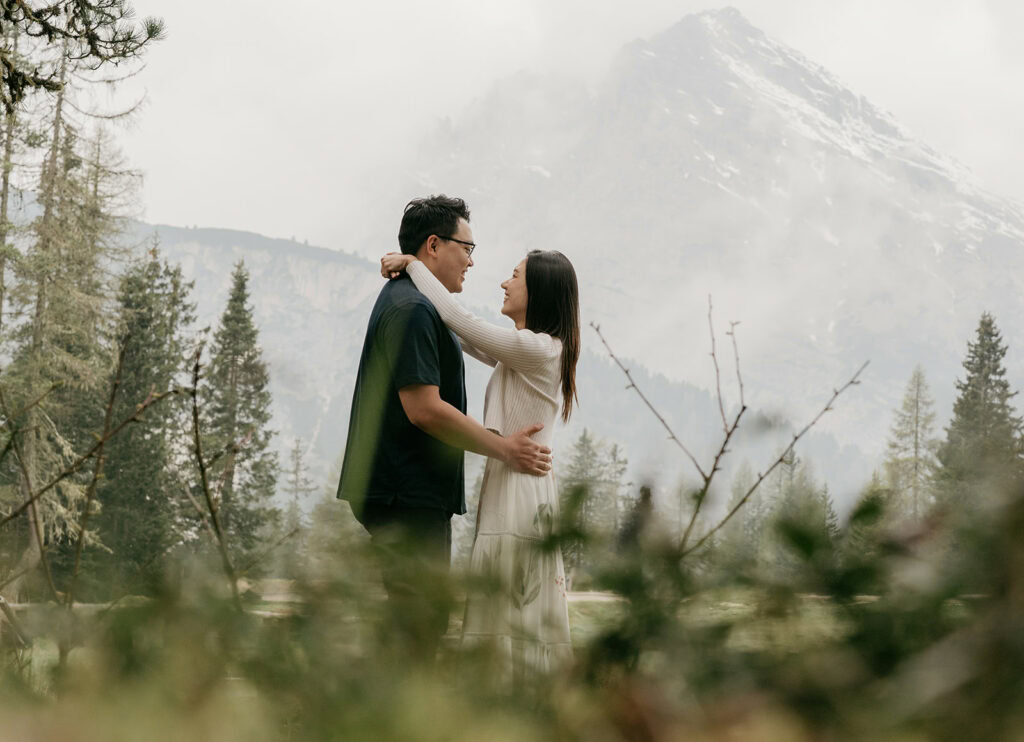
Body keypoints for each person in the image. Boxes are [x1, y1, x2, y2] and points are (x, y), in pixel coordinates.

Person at [337, 195, 551, 662]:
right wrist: (504, 449)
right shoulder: (413, 308)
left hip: (406, 488)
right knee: (418, 626)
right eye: (466, 248)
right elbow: (424, 410)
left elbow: (475, 336)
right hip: (403, 490)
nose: (473, 262)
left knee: (415, 623)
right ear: (434, 245)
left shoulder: (418, 303)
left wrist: (413, 266)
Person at [380, 243, 580, 680]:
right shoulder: (528, 351)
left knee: (509, 596)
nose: (505, 283)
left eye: (515, 275)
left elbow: (461, 322)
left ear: (540, 291)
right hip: (514, 476)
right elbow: (465, 335)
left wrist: (415, 265)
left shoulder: (540, 349)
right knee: (509, 598)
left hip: (520, 482)